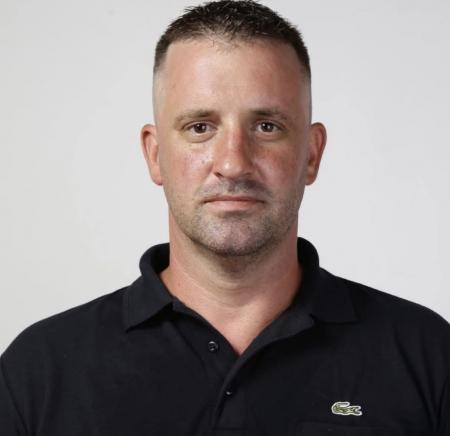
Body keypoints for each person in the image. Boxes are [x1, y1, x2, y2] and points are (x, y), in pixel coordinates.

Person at [1, 1, 449, 434]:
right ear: (155, 155)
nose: (233, 163)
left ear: (311, 155)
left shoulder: (428, 357)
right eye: (200, 127)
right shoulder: (37, 373)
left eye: (267, 127)